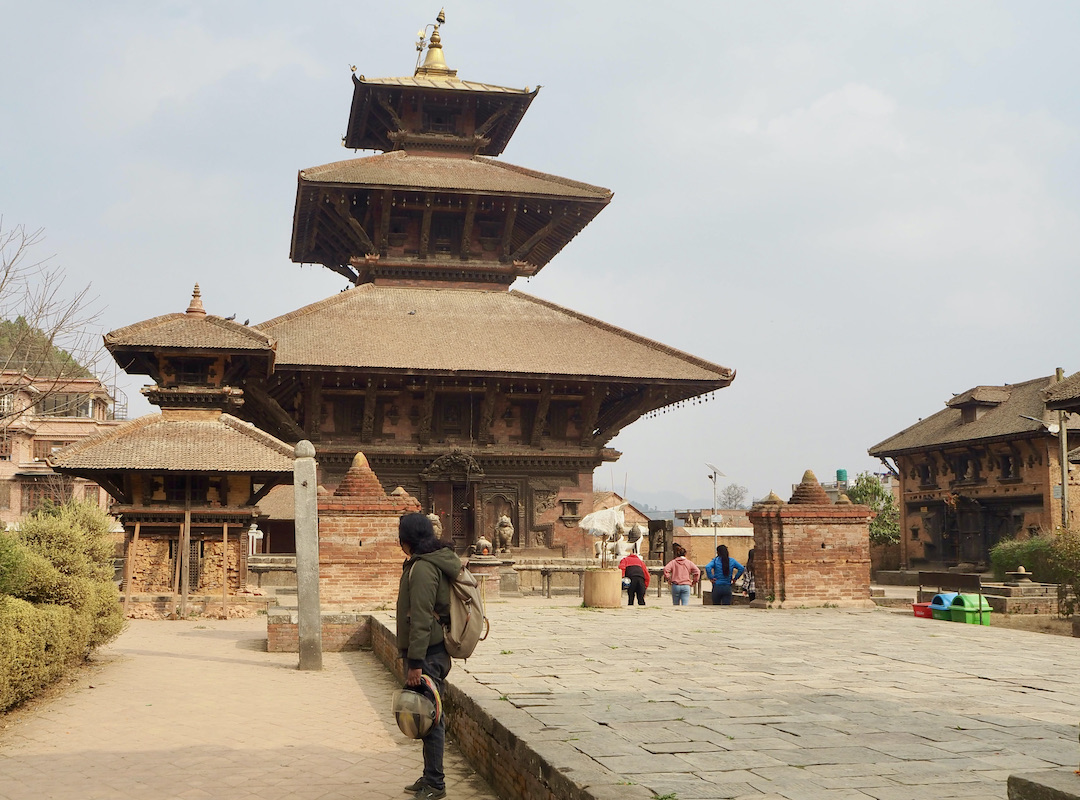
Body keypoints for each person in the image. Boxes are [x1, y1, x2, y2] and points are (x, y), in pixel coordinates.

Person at [396, 512, 462, 800]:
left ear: (405, 540)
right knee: (425, 714)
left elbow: (421, 618)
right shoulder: (427, 562)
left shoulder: (423, 568)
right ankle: (430, 776)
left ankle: (436, 783)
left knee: (431, 717)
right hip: (430, 651)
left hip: (428, 654)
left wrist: (415, 664)